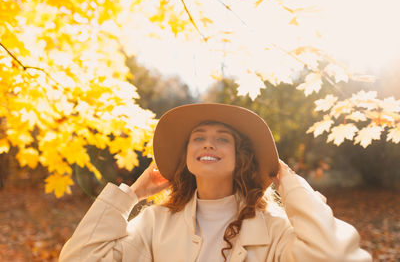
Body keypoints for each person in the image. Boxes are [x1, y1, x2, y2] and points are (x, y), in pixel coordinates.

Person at [59, 103, 372, 262]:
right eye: (199, 138)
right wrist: (133, 195)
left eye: (223, 139)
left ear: (242, 158)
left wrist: (289, 183)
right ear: (187, 156)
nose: (208, 145)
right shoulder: (154, 223)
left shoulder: (274, 228)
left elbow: (334, 255)